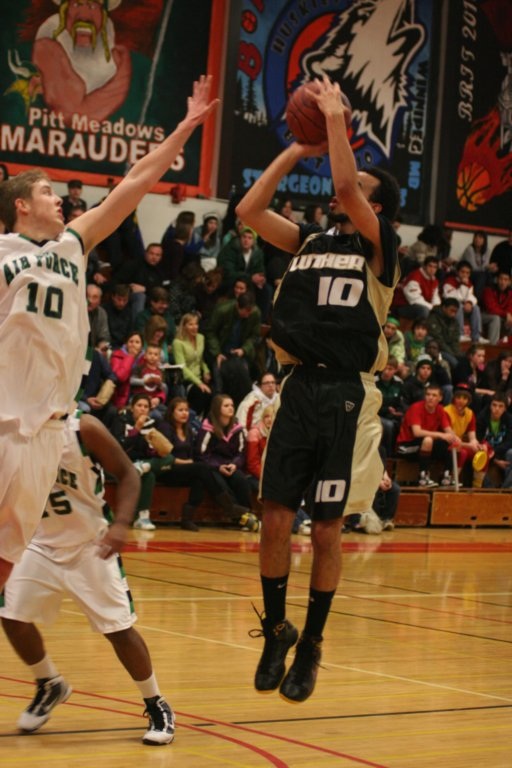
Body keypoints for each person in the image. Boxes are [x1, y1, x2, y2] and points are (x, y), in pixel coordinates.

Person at [0, 73, 218, 589]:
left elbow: (135, 181)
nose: (60, 200)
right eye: (48, 192)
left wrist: (186, 126)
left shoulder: (74, 244)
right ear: (20, 205)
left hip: (49, 431)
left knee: (5, 563)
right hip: (5, 419)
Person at [235, 75, 400, 703]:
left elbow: (345, 187)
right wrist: (295, 149)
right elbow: (249, 211)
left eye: (361, 189)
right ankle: (278, 629)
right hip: (299, 387)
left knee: (327, 529)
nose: (342, 191)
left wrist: (335, 120)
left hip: (347, 395)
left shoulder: (382, 247)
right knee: (275, 518)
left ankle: (312, 642)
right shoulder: (306, 240)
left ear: (377, 207)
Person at [0, 413, 175, 745]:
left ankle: (156, 702)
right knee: (11, 615)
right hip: (38, 543)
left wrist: (121, 523)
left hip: (90, 544)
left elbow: (129, 474)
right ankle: (50, 683)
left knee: (119, 630)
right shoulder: (14, 432)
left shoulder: (82, 429)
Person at [158, 397, 248, 531]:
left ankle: (186, 519)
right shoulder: (165, 428)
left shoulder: (187, 429)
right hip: (168, 469)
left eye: (186, 410)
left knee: (200, 479)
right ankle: (229, 506)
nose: (185, 413)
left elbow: (192, 454)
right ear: (171, 412)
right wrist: (186, 462)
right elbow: (164, 455)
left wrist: (190, 462)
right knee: (202, 468)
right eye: (180, 410)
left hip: (186, 469)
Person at [195, 394, 256, 528]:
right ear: (217, 408)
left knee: (241, 480)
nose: (231, 408)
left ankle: (248, 513)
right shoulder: (207, 428)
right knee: (220, 483)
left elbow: (241, 452)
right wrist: (218, 466)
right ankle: (239, 516)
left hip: (230, 464)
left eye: (232, 405)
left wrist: (235, 464)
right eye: (226, 405)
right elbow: (201, 455)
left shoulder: (237, 428)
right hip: (212, 467)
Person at [396, 384, 459, 487]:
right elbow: (417, 432)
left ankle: (447, 477)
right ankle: (423, 478)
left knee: (450, 442)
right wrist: (441, 435)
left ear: (440, 398)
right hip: (406, 447)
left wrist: (455, 438)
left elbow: (448, 431)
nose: (430, 397)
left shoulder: (440, 409)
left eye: (434, 395)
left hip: (424, 445)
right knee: (429, 440)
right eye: (428, 394)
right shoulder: (416, 408)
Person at [205, 292, 262, 407]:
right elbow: (210, 332)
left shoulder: (255, 313)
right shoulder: (222, 310)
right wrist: (217, 353)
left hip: (240, 353)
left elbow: (255, 336)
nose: (248, 314)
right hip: (221, 351)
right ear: (237, 306)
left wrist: (244, 349)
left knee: (245, 385)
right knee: (219, 386)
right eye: (246, 311)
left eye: (250, 311)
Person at [172, 312, 212, 418]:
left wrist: (206, 370)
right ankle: (191, 419)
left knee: (214, 393)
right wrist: (199, 383)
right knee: (202, 393)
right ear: (184, 326)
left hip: (200, 377)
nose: (194, 327)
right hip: (187, 380)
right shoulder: (178, 343)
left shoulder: (201, 338)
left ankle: (204, 421)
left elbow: (200, 359)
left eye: (196, 324)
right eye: (191, 324)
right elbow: (182, 367)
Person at [442, 260, 487, 343]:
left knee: (476, 308)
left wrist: (469, 302)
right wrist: (463, 285)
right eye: (462, 272)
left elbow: (471, 296)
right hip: (449, 307)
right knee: (458, 305)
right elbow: (453, 298)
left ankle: (476, 336)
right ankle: (460, 334)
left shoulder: (469, 283)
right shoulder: (449, 281)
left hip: (463, 307)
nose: (465, 275)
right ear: (457, 272)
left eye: (467, 273)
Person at [426, 297, 462, 371]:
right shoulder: (433, 318)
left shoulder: (454, 322)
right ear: (444, 308)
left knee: (463, 361)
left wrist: (457, 354)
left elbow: (455, 341)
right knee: (455, 363)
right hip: (438, 349)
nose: (453, 314)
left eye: (455, 312)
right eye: (451, 310)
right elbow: (438, 339)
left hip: (449, 349)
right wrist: (452, 354)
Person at [110, 331, 145, 409]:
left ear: (141, 346)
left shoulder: (146, 358)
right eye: (131, 341)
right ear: (126, 344)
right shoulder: (117, 355)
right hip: (120, 396)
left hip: (141, 395)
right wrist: (130, 356)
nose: (133, 344)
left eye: (137, 342)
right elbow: (120, 377)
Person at [481, 271, 512, 344]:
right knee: (496, 318)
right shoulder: (488, 290)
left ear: (509, 282)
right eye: (501, 279)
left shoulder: (510, 293)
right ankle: (493, 346)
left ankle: (508, 346)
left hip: (502, 317)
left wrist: (508, 315)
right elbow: (491, 308)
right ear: (497, 280)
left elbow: (510, 308)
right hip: (484, 315)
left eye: (506, 280)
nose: (503, 282)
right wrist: (506, 314)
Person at [103, 283, 134, 349]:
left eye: (125, 300)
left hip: (123, 346)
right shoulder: (104, 310)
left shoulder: (129, 311)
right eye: (119, 299)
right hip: (107, 345)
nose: (121, 303)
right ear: (113, 297)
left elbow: (130, 333)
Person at [86, 283, 111, 347]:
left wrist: (102, 347)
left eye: (94, 297)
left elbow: (104, 337)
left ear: (99, 300)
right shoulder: (75, 310)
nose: (90, 300)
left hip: (94, 349)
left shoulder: (102, 313)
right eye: (87, 296)